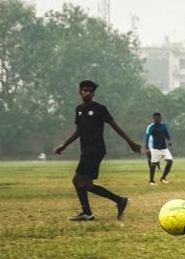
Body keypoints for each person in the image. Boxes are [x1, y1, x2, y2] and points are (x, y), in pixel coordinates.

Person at [53, 80, 142, 221]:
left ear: (94, 93)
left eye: (90, 91)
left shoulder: (100, 108)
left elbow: (115, 126)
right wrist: (64, 145)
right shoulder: (79, 110)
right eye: (85, 90)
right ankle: (119, 200)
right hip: (86, 149)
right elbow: (78, 131)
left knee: (77, 180)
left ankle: (87, 213)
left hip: (95, 149)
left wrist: (130, 142)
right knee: (87, 185)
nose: (87, 93)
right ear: (80, 92)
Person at [145, 112, 173, 184]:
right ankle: (151, 180)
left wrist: (169, 140)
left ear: (161, 118)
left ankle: (163, 178)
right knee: (153, 164)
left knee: (170, 161)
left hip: (164, 148)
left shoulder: (164, 125)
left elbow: (166, 133)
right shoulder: (151, 127)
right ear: (154, 119)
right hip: (155, 148)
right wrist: (147, 148)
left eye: (159, 118)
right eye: (156, 118)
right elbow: (147, 137)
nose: (158, 119)